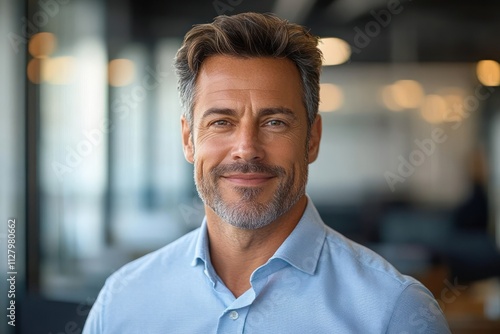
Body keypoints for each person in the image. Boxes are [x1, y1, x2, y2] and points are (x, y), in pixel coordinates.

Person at [83, 12, 450, 333]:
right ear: (188, 140)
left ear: (312, 139)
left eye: (274, 121)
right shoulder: (123, 300)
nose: (246, 148)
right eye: (221, 121)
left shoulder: (394, 311)